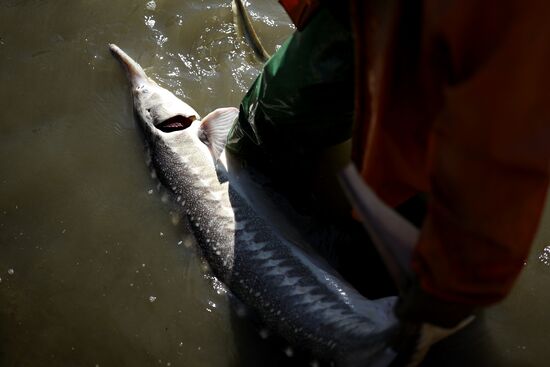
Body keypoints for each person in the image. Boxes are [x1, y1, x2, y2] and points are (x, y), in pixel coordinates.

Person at [226, 0, 550, 364]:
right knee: (263, 131)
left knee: (421, 200)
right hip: (361, 14)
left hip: (463, 38)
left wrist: (454, 290)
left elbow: (508, 152)